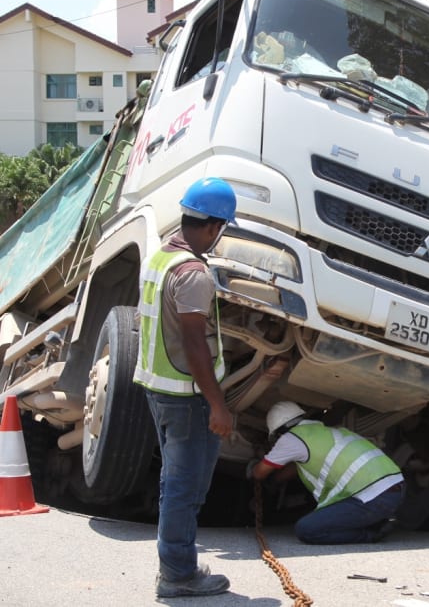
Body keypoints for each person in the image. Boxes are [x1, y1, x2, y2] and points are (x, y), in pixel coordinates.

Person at [134, 177, 237, 598]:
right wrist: (218, 406)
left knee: (172, 481)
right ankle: (177, 574)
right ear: (213, 227)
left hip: (158, 389)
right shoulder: (194, 274)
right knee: (185, 487)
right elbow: (195, 345)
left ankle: (175, 563)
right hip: (186, 398)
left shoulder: (161, 258)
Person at [247, 401, 404, 544]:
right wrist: (276, 481)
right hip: (395, 489)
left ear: (279, 433)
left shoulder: (291, 439)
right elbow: (293, 469)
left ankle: (370, 535)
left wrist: (253, 467)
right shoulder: (326, 432)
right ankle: (379, 520)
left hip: (373, 497)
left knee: (306, 529)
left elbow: (260, 473)